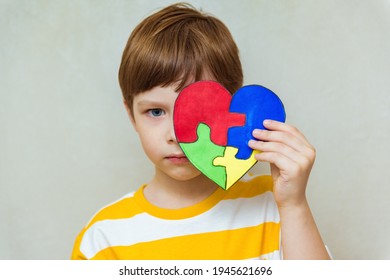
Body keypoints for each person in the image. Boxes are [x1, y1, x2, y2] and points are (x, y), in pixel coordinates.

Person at [71, 3, 330, 260]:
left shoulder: (275, 203)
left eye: (197, 111)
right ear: (131, 115)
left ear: (230, 108)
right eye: (156, 112)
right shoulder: (103, 239)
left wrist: (294, 205)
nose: (176, 135)